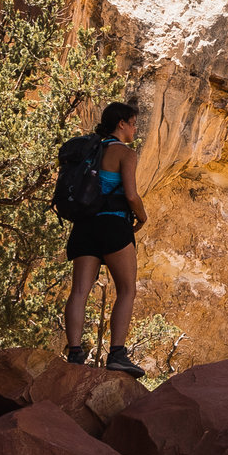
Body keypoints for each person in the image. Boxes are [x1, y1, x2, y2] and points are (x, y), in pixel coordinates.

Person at [62, 101, 148, 375]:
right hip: (113, 223)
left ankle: (74, 353)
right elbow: (131, 195)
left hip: (85, 225)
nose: (135, 129)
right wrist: (142, 217)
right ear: (121, 123)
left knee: (79, 292)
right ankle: (117, 354)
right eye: (133, 123)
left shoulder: (91, 150)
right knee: (126, 289)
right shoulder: (125, 153)